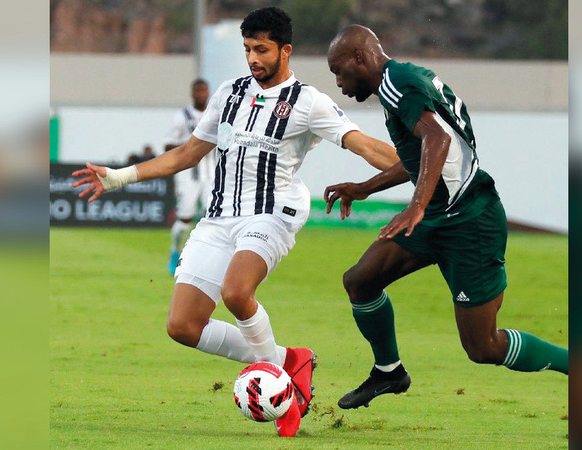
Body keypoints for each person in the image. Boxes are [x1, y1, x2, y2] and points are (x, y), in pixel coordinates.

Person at [72, 8, 399, 437]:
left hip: (272, 213)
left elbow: (366, 146)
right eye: (247, 49)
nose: (252, 59)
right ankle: (289, 360)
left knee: (236, 292)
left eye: (261, 49)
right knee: (183, 326)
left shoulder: (309, 102)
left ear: (285, 50)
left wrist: (425, 167)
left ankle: (286, 395)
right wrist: (118, 177)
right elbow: (187, 154)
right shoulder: (229, 93)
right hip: (219, 218)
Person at [324, 25, 568, 410]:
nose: (338, 82)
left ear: (359, 58)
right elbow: (424, 154)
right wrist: (365, 188)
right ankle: (389, 372)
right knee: (360, 280)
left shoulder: (397, 84)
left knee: (483, 347)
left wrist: (416, 205)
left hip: (470, 221)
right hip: (437, 216)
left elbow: (438, 140)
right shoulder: (403, 79)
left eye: (338, 71)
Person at [165, 79, 214, 275]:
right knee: (184, 219)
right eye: (197, 91)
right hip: (188, 174)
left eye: (204, 90)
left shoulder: (215, 114)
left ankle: (206, 260)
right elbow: (168, 145)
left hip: (212, 174)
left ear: (208, 93)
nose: (201, 94)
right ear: (192, 93)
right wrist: (191, 146)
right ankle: (175, 250)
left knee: (213, 218)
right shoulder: (182, 117)